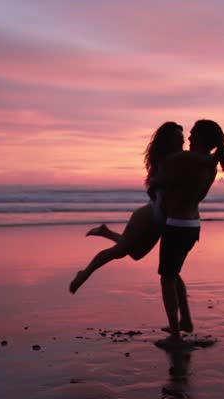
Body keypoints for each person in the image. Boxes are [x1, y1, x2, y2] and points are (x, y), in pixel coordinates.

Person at [69, 122, 185, 294]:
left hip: (165, 218)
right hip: (150, 213)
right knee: (119, 251)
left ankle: (106, 232)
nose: (183, 142)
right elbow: (156, 184)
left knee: (136, 254)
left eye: (183, 139)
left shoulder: (180, 159)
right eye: (179, 138)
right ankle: (85, 272)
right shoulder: (167, 160)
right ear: (169, 141)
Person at [150, 119, 224, 347]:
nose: (188, 138)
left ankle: (176, 335)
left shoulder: (195, 161)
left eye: (192, 134)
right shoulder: (205, 163)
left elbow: (166, 171)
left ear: (201, 139)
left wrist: (157, 180)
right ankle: (185, 321)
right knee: (173, 273)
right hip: (190, 225)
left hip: (178, 225)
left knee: (166, 279)